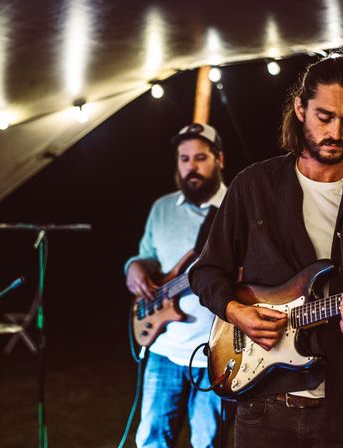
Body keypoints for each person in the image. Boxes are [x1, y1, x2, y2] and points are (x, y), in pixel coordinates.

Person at [189, 55, 343, 447]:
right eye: (325, 116)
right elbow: (207, 271)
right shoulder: (254, 186)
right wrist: (236, 312)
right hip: (265, 407)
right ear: (300, 108)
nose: (336, 131)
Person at [125, 123, 228, 447]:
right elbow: (147, 256)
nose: (191, 167)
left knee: (208, 443)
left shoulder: (237, 210)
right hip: (163, 350)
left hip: (213, 356)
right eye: (184, 159)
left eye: (200, 157)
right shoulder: (162, 208)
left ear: (219, 159)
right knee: (152, 441)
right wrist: (135, 268)